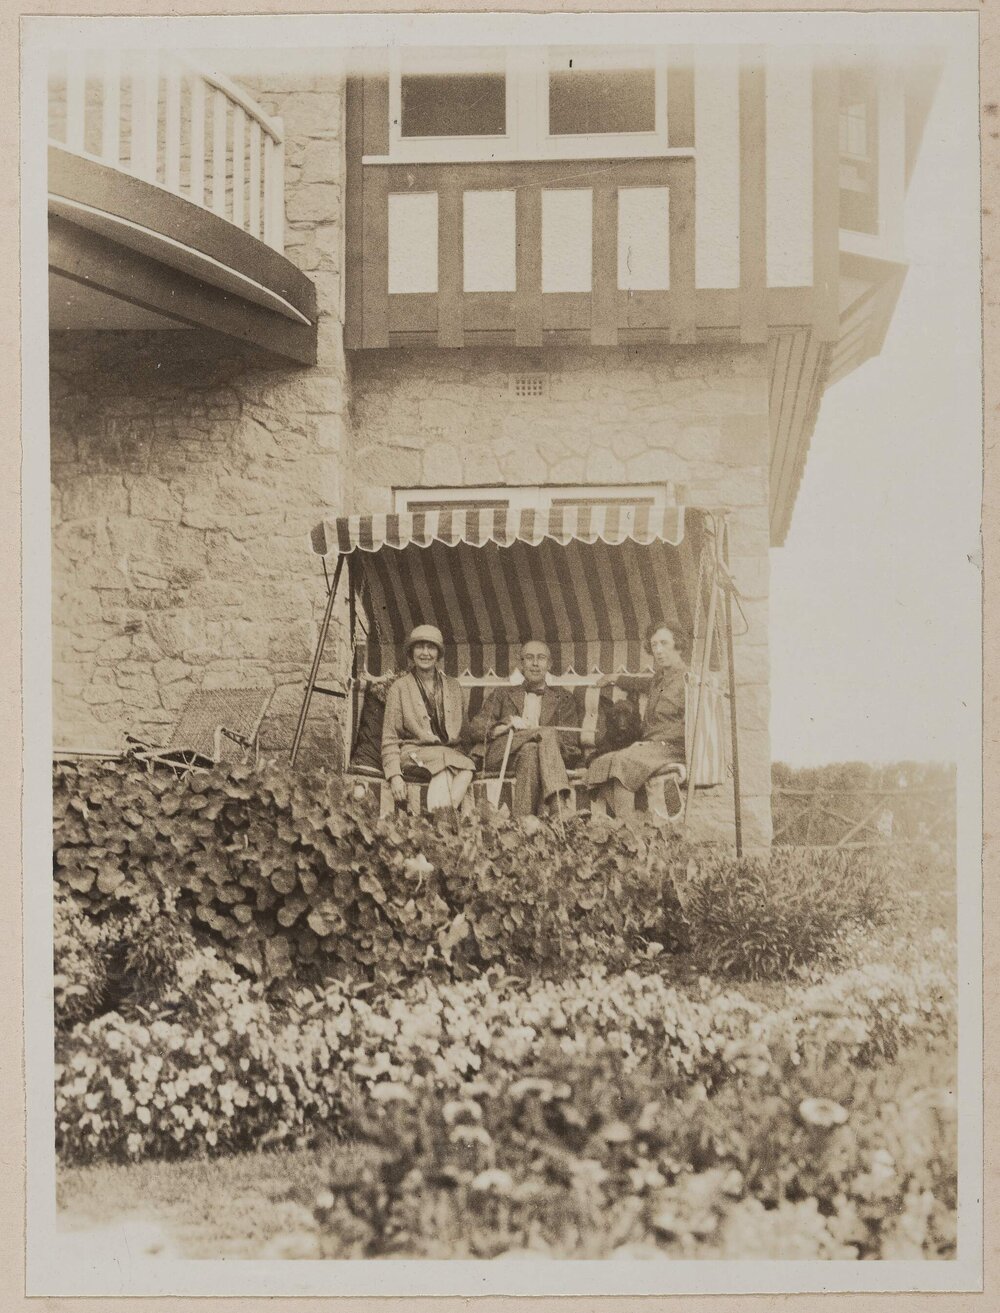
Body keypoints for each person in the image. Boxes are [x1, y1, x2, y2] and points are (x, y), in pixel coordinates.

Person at [585, 620, 689, 821]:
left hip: (672, 747)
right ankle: (635, 826)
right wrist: (615, 677)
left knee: (622, 761)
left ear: (678, 644)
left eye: (664, 643)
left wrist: (658, 743)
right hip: (650, 748)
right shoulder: (659, 679)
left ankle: (628, 831)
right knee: (600, 763)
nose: (658, 650)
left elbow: (694, 726)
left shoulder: (688, 680)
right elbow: (640, 683)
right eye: (654, 645)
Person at [469, 640, 580, 817]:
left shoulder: (563, 698)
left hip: (542, 756)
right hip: (503, 753)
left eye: (541, 658)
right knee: (546, 732)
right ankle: (558, 805)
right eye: (529, 658)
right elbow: (476, 728)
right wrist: (507, 724)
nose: (535, 664)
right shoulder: (502, 694)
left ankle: (524, 820)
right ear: (521, 663)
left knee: (531, 749)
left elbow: (570, 742)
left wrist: (537, 742)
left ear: (549, 664)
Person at [381, 624, 475, 812]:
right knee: (458, 765)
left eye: (431, 647)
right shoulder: (399, 688)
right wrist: (394, 775)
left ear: (438, 653)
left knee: (463, 767)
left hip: (448, 755)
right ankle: (441, 820)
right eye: (419, 646)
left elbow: (463, 734)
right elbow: (390, 738)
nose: (425, 653)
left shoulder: (454, 687)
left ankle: (439, 820)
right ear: (411, 651)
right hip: (413, 754)